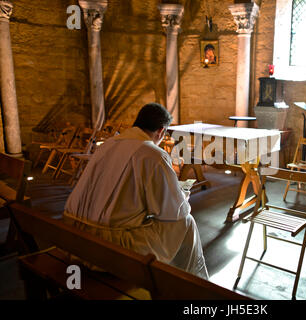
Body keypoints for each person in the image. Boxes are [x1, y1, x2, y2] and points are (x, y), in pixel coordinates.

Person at [63, 103, 208, 279]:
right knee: (186, 222)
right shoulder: (153, 154)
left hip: (73, 234)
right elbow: (173, 213)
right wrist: (182, 195)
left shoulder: (107, 144)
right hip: (109, 244)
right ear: (161, 131)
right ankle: (184, 283)